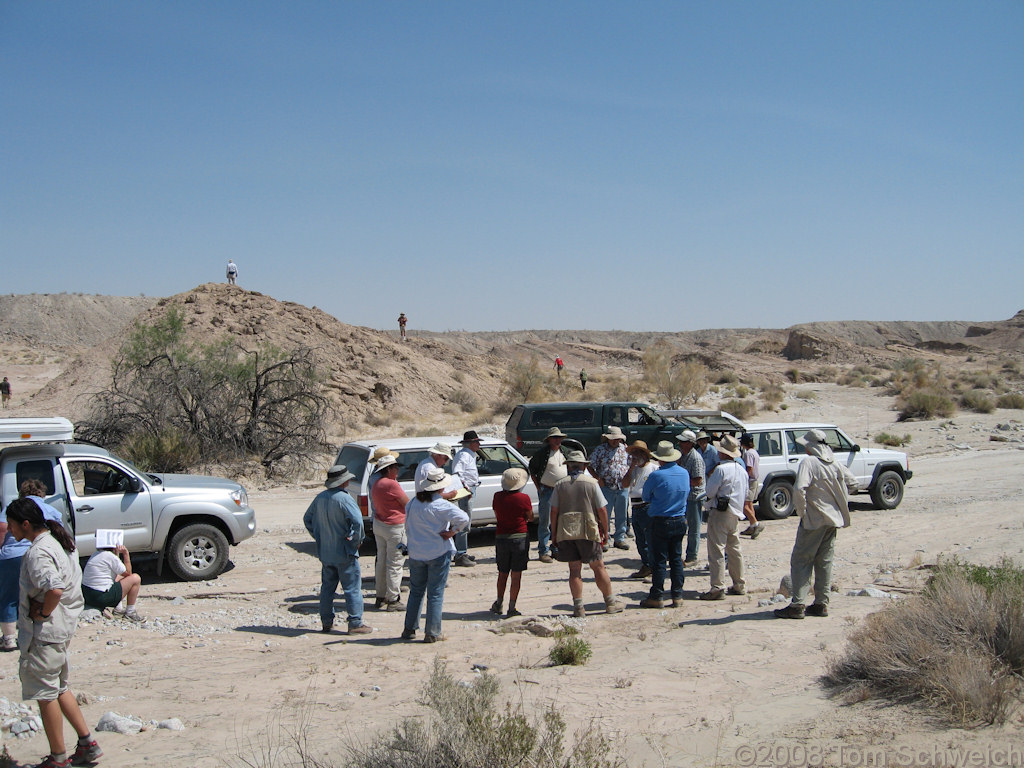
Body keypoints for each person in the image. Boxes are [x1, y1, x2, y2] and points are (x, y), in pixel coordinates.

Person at [6, 497, 102, 768]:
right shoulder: (57, 540)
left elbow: (55, 588)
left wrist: (45, 612)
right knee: (60, 688)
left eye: (12, 525)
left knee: (45, 693)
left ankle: (58, 758)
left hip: (45, 633)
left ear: (25, 524)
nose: (9, 530)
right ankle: (87, 744)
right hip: (60, 629)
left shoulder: (37, 552)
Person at [775, 429, 858, 619]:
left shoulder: (809, 463)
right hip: (832, 519)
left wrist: (803, 511)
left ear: (810, 446)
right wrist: (837, 502)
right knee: (824, 561)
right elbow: (853, 483)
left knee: (801, 560)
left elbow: (799, 488)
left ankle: (797, 605)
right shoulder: (834, 463)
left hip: (813, 520)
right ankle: (821, 603)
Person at [550, 450, 625, 618]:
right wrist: (606, 531)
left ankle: (578, 607)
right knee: (598, 567)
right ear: (584, 466)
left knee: (574, 570)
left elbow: (554, 511)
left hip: (566, 530)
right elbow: (602, 509)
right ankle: (610, 603)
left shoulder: (559, 484)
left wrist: (554, 533)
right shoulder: (591, 483)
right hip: (588, 530)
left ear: (568, 466)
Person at [402, 467, 469, 642]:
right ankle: (432, 632)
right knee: (435, 593)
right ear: (441, 488)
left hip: (417, 553)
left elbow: (407, 524)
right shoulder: (441, 504)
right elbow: (464, 519)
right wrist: (452, 532)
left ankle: (409, 628)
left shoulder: (413, 503)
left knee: (416, 591)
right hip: (438, 551)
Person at [303, 465, 372, 635]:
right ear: (344, 481)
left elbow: (307, 519)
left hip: (326, 552)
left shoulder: (320, 498)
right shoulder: (344, 499)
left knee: (327, 588)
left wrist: (319, 536)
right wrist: (356, 541)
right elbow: (358, 522)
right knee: (352, 588)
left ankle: (327, 622)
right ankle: (355, 622)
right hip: (344, 550)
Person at [0, 480, 65, 652]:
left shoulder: (14, 509)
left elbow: (1, 529)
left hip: (12, 555)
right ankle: (34, 629)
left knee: (9, 597)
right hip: (42, 554)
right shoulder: (51, 510)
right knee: (37, 596)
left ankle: (8, 639)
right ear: (42, 493)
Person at [640, 442, 690, 608]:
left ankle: (657, 595)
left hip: (661, 519)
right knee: (676, 558)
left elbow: (646, 496)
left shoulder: (656, 476)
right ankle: (677, 594)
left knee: (659, 560)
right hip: (679, 518)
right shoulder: (684, 473)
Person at [700, 435, 747, 600]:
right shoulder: (741, 470)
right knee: (734, 549)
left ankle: (717, 587)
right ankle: (739, 584)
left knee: (716, 550)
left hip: (720, 512)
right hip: (735, 512)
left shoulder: (720, 470)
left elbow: (710, 491)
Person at [490, 468, 534, 618]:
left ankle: (498, 602)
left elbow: (497, 514)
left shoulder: (497, 497)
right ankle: (512, 606)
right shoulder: (524, 498)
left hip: (501, 537)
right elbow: (530, 517)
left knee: (502, 573)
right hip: (519, 536)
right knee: (516, 575)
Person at [370, 455, 408, 611]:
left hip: (379, 524)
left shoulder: (376, 483)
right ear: (388, 469)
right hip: (395, 527)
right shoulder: (392, 484)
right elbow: (407, 503)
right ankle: (393, 599)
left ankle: (380, 596)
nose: (398, 470)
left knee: (382, 561)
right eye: (395, 467)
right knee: (395, 563)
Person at [527, 427, 569, 563]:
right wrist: (539, 488)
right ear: (549, 440)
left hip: (562, 490)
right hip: (547, 490)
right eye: (555, 438)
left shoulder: (566, 452)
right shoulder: (542, 454)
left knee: (560, 521)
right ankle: (543, 551)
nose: (558, 440)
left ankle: (556, 548)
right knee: (545, 522)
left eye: (559, 438)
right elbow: (532, 470)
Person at [588, 426, 631, 549]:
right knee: (604, 515)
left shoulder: (625, 449)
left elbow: (631, 465)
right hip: (606, 487)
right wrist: (597, 478)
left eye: (617, 439)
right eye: (613, 439)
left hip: (622, 487)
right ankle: (605, 538)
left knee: (621, 514)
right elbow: (590, 465)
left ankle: (620, 538)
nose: (615, 441)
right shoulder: (600, 450)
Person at [81, 541, 143, 622]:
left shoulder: (95, 554)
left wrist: (116, 554)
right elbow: (128, 573)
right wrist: (126, 554)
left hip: (88, 596)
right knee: (135, 578)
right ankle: (130, 612)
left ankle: (118, 608)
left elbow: (116, 570)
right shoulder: (109, 556)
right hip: (100, 597)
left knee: (118, 577)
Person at [624, 441, 656, 579]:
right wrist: (630, 469)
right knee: (640, 540)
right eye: (633, 454)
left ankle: (652, 566)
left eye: (637, 453)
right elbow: (624, 484)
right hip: (636, 506)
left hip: (647, 505)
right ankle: (646, 564)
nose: (634, 457)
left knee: (650, 538)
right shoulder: (634, 470)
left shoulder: (653, 468)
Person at [450, 431, 483, 568]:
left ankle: (461, 552)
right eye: (476, 442)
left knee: (465, 521)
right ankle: (460, 554)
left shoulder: (469, 455)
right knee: (464, 522)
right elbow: (457, 473)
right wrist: (466, 489)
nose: (479, 444)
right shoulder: (463, 455)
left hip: (470, 488)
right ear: (470, 443)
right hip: (467, 490)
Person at [675, 431, 706, 567]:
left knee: (694, 527)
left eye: (683, 441)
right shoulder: (683, 455)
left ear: (690, 443)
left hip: (694, 496)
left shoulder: (696, 458)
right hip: (685, 495)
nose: (680, 444)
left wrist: (681, 480)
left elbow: (698, 480)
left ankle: (692, 556)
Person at [739, 433, 764, 539]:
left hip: (750, 481)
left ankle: (755, 524)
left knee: (744, 505)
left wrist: (744, 479)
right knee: (749, 505)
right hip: (755, 480)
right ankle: (752, 526)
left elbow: (749, 468)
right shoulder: (754, 452)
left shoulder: (748, 454)